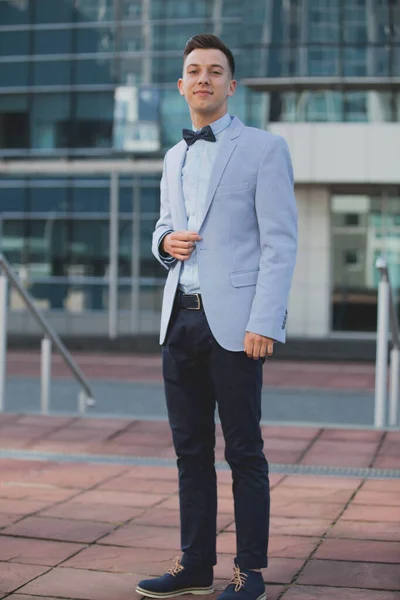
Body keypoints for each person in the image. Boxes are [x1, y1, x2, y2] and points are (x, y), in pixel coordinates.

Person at [136, 33, 297, 600]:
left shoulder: (264, 148)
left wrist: (265, 321)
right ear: (181, 86)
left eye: (215, 70)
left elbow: (280, 242)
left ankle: (248, 570)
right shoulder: (173, 156)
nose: (203, 78)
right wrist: (166, 244)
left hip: (235, 325)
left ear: (232, 84)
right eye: (193, 71)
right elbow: (161, 226)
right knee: (190, 454)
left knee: (244, 451)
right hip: (179, 319)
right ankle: (195, 565)